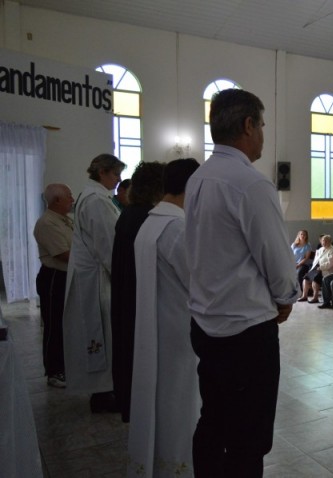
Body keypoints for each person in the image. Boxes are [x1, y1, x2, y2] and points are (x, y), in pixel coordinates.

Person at [185, 89, 299, 477]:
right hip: (246, 333)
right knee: (248, 438)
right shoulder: (250, 183)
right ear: (248, 125)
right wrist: (286, 298)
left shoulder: (199, 177)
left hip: (205, 323)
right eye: (262, 124)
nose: (263, 134)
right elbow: (276, 257)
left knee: (213, 420)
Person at [127, 158, 201, 478]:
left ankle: (161, 462)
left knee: (162, 399)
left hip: (155, 327)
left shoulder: (150, 222)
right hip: (178, 331)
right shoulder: (177, 227)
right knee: (179, 403)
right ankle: (178, 466)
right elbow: (199, 282)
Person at [63, 153, 126, 412]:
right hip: (97, 279)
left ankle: (104, 390)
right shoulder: (97, 201)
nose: (118, 179)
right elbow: (108, 246)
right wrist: (123, 277)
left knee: (102, 335)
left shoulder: (93, 197)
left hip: (93, 276)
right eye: (115, 174)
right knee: (101, 334)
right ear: (102, 173)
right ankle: (102, 394)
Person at [111, 161, 165, 423]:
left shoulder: (129, 213)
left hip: (126, 293)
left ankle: (129, 402)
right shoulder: (147, 218)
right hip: (138, 295)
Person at [33, 183, 75, 388]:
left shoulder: (65, 220)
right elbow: (63, 254)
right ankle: (54, 371)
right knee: (54, 324)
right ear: (57, 200)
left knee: (66, 323)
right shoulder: (47, 223)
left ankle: (65, 366)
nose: (72, 199)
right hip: (54, 278)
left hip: (66, 277)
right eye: (69, 196)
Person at [298, 235, 333, 303]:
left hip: (326, 270)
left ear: (330, 242)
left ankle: (315, 297)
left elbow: (331, 263)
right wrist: (313, 268)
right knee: (305, 278)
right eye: (323, 241)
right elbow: (315, 260)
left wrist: (321, 267)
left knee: (315, 279)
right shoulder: (320, 249)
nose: (324, 242)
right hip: (316, 268)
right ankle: (304, 296)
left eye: (326, 241)